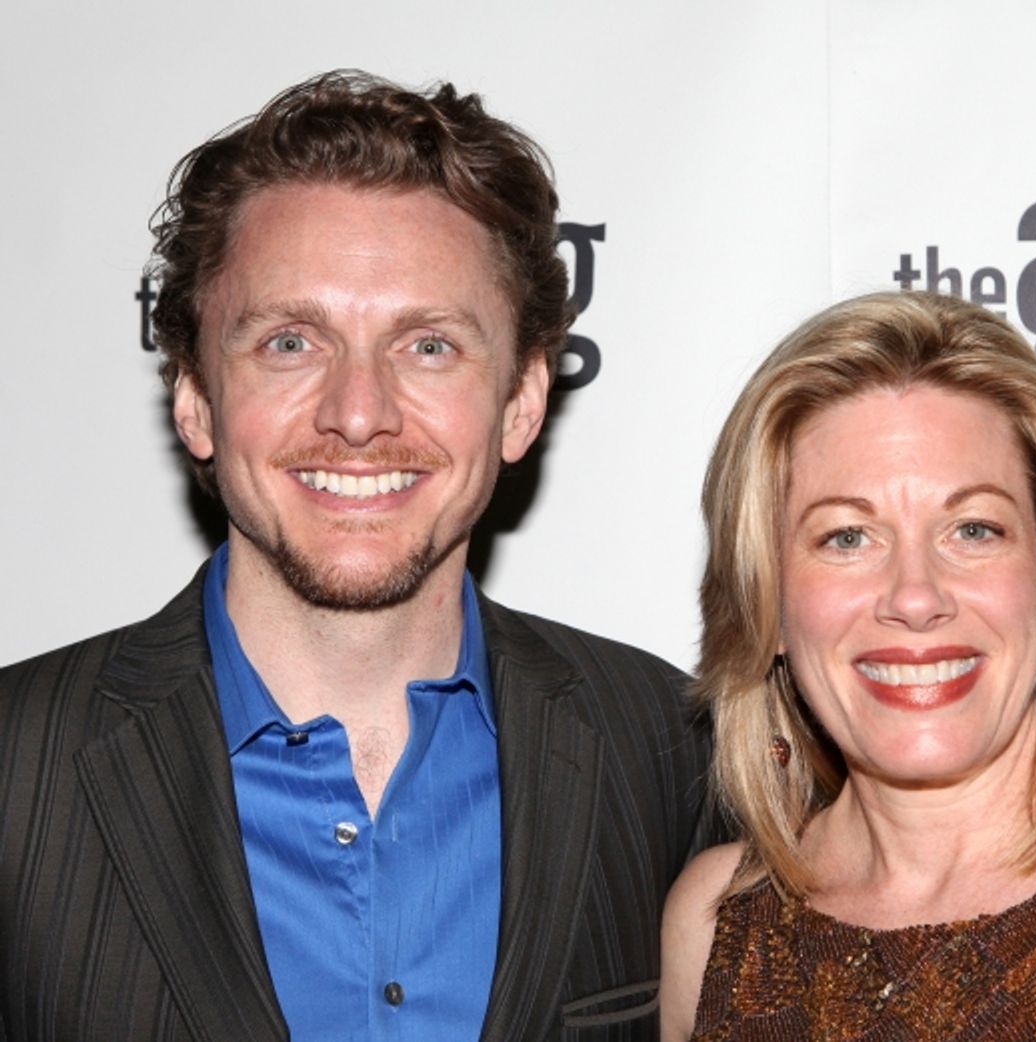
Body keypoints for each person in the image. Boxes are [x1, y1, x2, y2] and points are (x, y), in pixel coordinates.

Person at [0, 71, 709, 1042]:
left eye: (428, 346)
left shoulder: (671, 756)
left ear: (524, 400)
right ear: (195, 400)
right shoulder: (14, 771)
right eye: (291, 341)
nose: (359, 413)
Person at [659, 291, 1036, 1041]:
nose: (915, 597)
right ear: (768, 604)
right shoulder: (715, 923)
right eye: (847, 538)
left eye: (972, 528)